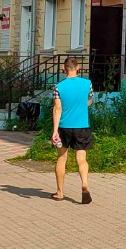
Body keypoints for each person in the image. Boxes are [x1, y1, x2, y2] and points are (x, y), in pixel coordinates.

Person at [51, 56, 94, 204]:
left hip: (64, 127)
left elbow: (57, 108)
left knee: (62, 158)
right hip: (82, 126)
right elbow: (89, 102)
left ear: (63, 69)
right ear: (78, 69)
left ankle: (60, 192)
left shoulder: (58, 86)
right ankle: (84, 183)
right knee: (81, 159)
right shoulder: (87, 83)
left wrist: (55, 131)